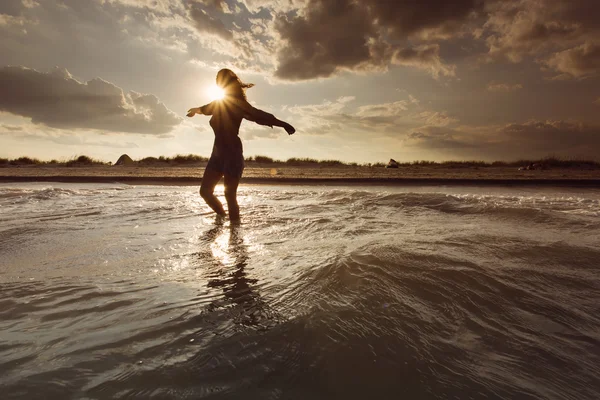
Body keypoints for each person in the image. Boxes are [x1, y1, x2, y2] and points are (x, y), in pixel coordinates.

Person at [187, 69, 295, 221]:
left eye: (220, 79)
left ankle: (235, 233)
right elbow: (206, 108)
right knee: (205, 192)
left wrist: (283, 124)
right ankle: (222, 219)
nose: (218, 82)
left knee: (229, 195)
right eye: (217, 79)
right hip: (217, 155)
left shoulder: (238, 104)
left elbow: (259, 114)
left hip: (233, 155)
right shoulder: (218, 103)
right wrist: (195, 110)